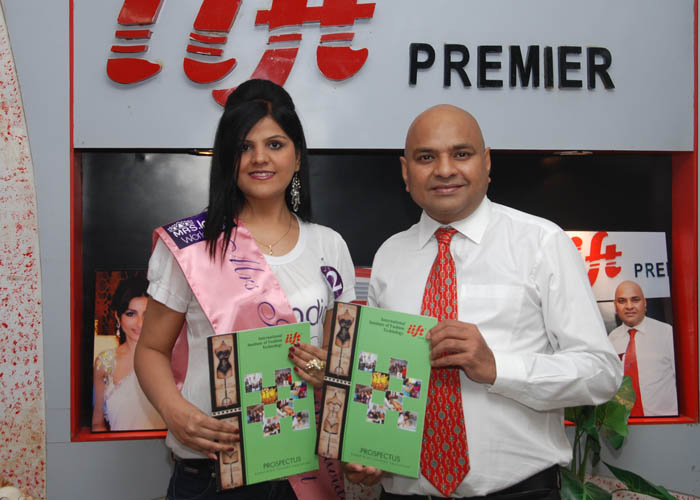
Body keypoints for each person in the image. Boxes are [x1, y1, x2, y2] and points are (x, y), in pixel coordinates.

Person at [345, 104, 623, 499]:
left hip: (519, 493)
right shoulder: (390, 255)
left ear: (487, 162)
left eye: (461, 153)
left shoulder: (541, 243)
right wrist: (371, 451)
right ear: (406, 172)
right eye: (426, 157)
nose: (444, 170)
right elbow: (383, 376)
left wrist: (497, 367)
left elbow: (601, 372)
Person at [134, 79, 355, 500]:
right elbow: (150, 349)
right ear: (227, 158)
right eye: (244, 146)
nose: (259, 159)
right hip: (213, 468)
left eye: (275, 144)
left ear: (297, 155)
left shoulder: (329, 245)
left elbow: (340, 361)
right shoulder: (192, 245)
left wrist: (324, 370)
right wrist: (175, 413)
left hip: (305, 467)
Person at [92, 276, 165, 431]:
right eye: (131, 314)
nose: (140, 323)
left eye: (146, 314)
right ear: (118, 317)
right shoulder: (104, 363)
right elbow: (97, 423)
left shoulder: (170, 358)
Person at [608, 280, 678, 416]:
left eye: (635, 300)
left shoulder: (667, 333)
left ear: (644, 303)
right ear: (615, 306)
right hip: (626, 423)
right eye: (622, 301)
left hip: (665, 421)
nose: (629, 306)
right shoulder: (611, 339)